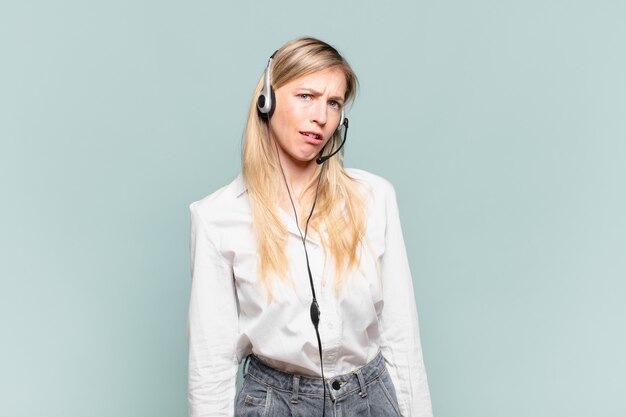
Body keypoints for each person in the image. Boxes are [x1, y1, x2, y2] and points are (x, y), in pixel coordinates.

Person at [188, 37, 433, 417]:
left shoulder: (375, 198)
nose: (321, 116)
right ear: (266, 101)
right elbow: (211, 364)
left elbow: (400, 336)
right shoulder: (217, 216)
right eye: (306, 96)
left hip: (370, 399)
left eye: (333, 103)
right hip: (276, 402)